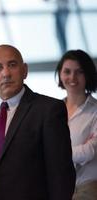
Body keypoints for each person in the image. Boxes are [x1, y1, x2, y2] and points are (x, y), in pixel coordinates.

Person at [0, 44, 76, 200]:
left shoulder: (49, 110)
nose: (6, 73)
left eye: (12, 65)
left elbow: (61, 174)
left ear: (25, 70)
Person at [55, 49, 97, 200]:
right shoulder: (51, 110)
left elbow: (90, 151)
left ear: (88, 75)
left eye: (79, 72)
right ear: (60, 74)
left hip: (87, 189)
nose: (72, 77)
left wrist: (55, 153)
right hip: (55, 187)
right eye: (67, 71)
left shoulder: (95, 111)